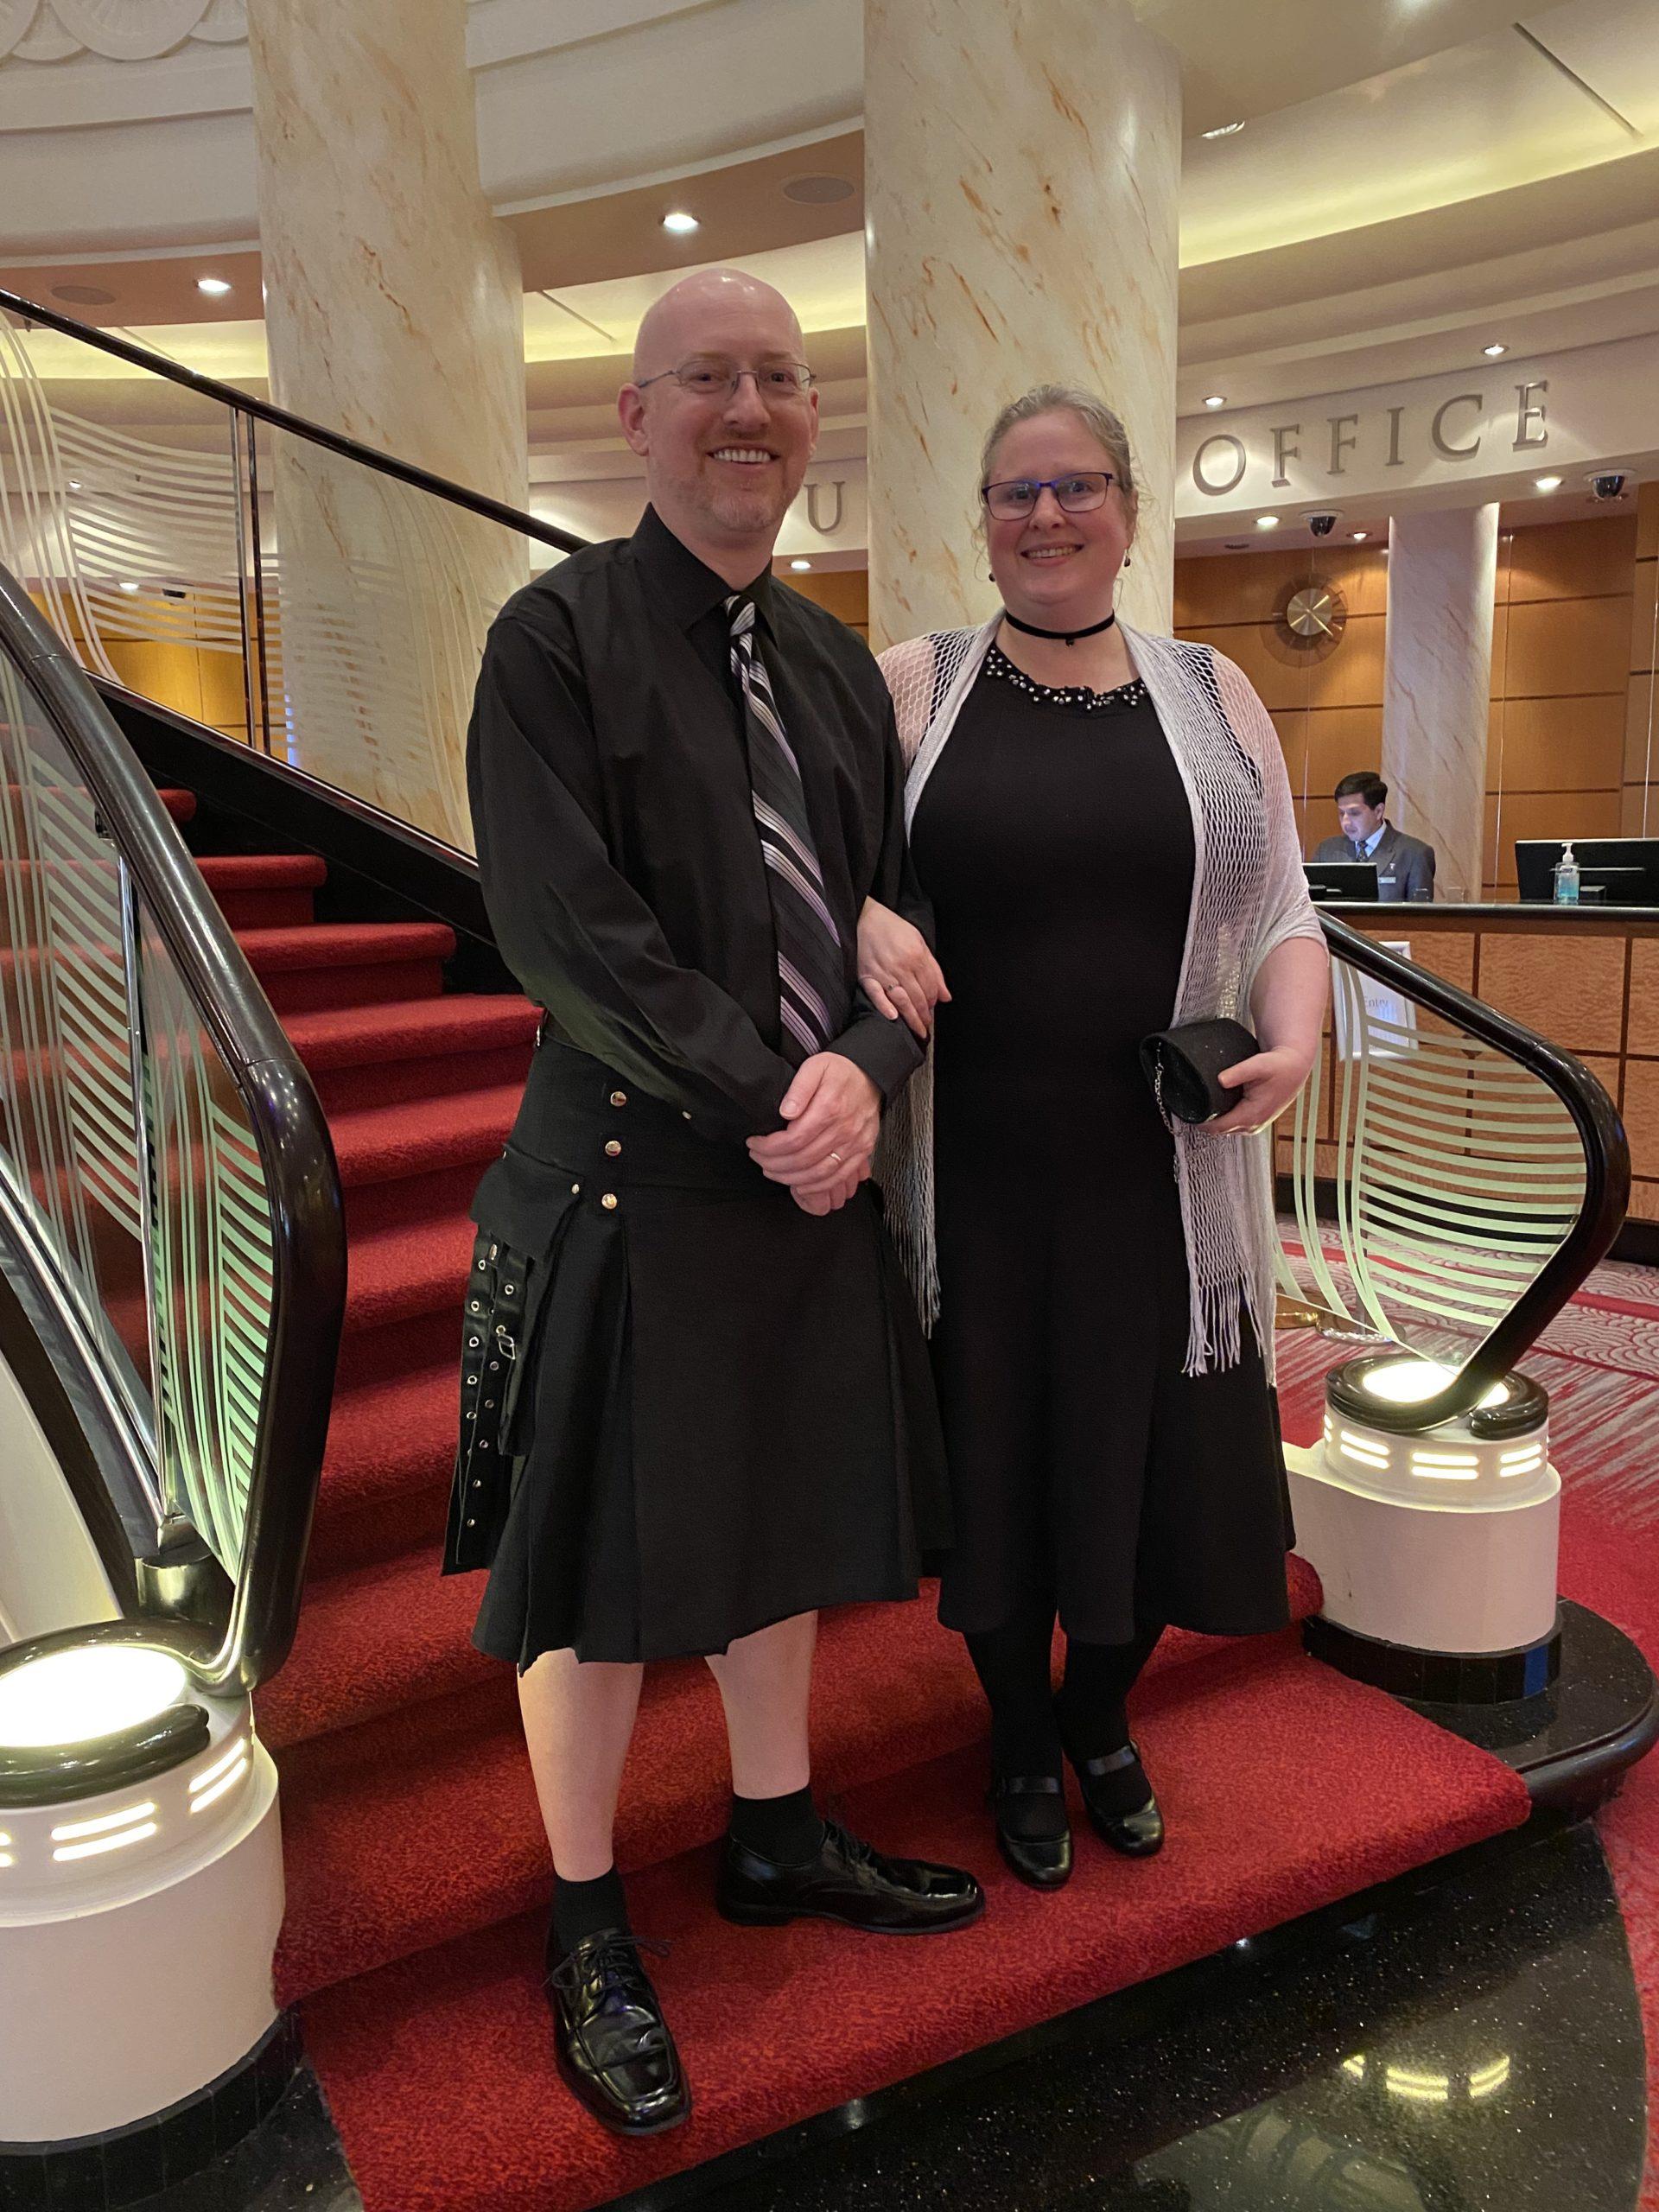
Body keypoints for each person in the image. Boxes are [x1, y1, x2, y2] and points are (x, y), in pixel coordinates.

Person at [451, 268, 981, 2141]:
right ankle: (584, 1920)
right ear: (637, 415)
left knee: (786, 1528)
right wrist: (793, 1096)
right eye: (706, 379)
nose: (745, 407)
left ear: (810, 417)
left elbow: (898, 930)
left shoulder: (836, 666)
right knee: (595, 1589)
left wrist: (870, 1076)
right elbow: (566, 936)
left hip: (801, 1176)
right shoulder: (552, 642)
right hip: (623, 1178)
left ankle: (773, 1835)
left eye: (779, 378)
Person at [857, 385, 1329, 1893]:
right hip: (975, 1168)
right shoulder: (912, 687)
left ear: (1129, 508)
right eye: (1015, 494)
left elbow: (1283, 914)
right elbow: (812, 875)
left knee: (1149, 1478)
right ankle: (1014, 1736)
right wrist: (863, 909)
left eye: (1074, 488)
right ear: (981, 522)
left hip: (1162, 1171)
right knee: (996, 1473)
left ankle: (1099, 1715)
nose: (1045, 516)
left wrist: (1300, 1035)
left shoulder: (1214, 689)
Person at [1313, 772, 1436, 901]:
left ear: (1378, 811)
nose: (1346, 822)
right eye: (1341, 813)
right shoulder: (1326, 851)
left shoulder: (1415, 854)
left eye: (1354, 813)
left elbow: (1420, 918)